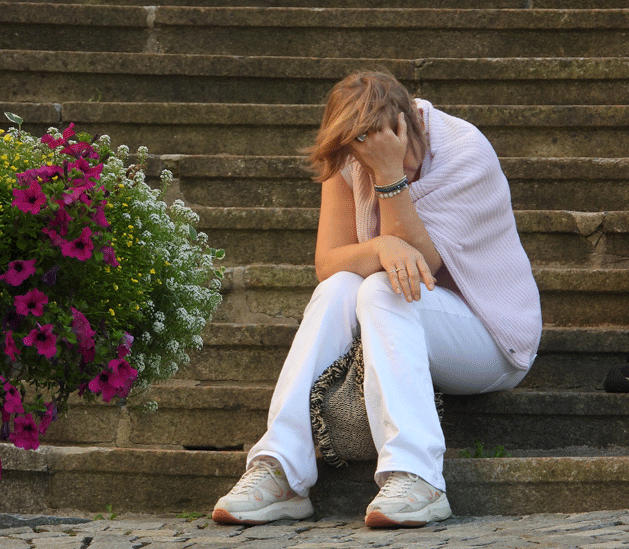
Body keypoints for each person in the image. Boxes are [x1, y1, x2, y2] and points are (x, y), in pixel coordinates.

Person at [211, 70, 542, 528]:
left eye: (390, 153)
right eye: (361, 157)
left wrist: (388, 175)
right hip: (406, 322)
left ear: (409, 126)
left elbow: (422, 264)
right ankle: (281, 468)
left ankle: (418, 477)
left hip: (491, 338)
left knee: (384, 286)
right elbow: (329, 261)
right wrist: (379, 245)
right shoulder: (351, 152)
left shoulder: (465, 152)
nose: (369, 165)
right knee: (339, 287)